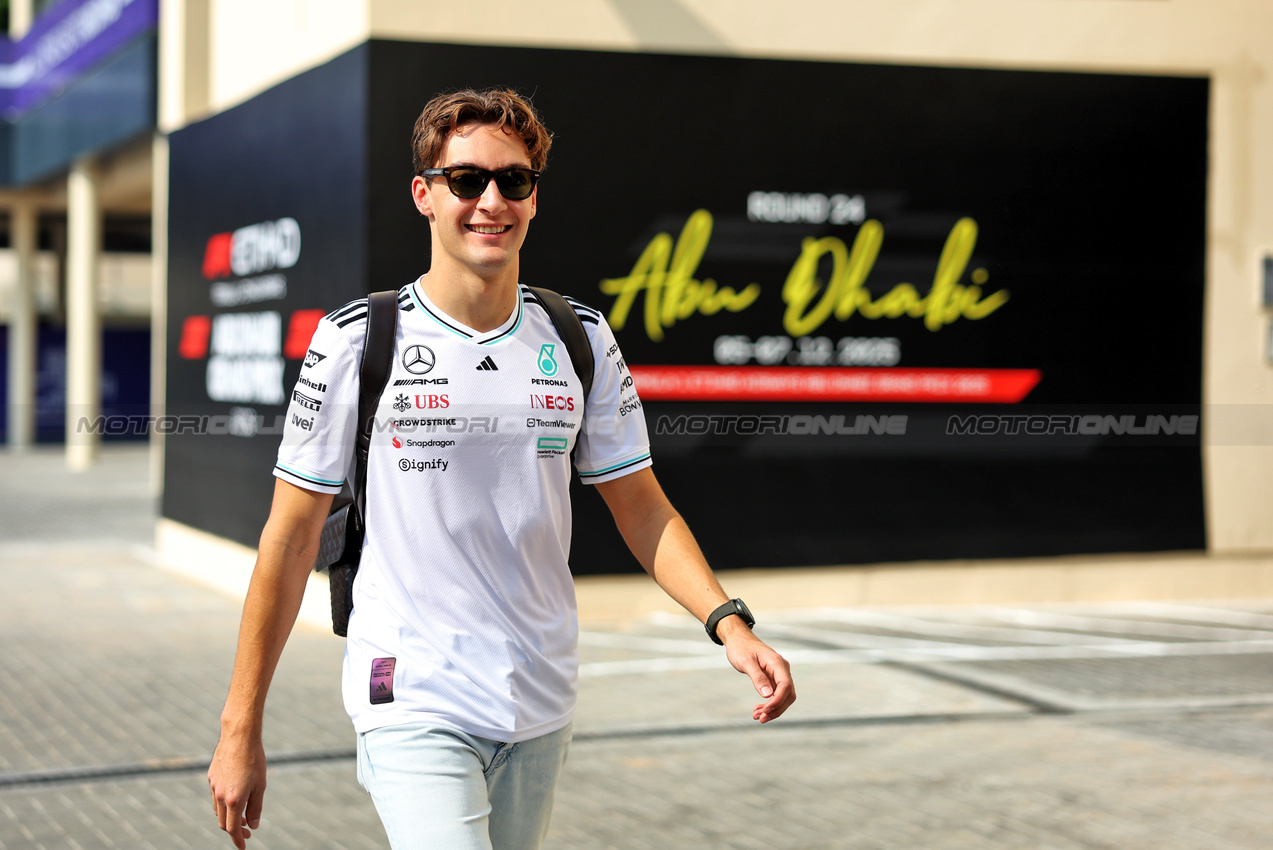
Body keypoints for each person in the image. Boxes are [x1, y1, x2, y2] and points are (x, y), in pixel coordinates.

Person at [207, 87, 795, 850]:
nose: (491, 200)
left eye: (512, 181)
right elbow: (288, 540)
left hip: (539, 696)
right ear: (424, 194)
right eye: (465, 180)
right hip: (411, 693)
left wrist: (728, 623)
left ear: (533, 197)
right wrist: (239, 726)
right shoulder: (356, 340)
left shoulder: (578, 337)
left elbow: (642, 508)